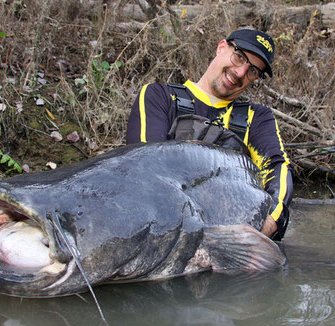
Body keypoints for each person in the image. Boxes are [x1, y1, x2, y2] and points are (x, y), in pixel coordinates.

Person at [126, 29, 293, 241]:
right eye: (239, 56)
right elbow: (143, 168)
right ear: (221, 47)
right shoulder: (159, 96)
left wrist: (269, 224)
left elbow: (277, 168)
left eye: (253, 71)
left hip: (230, 240)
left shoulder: (257, 118)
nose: (240, 72)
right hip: (165, 234)